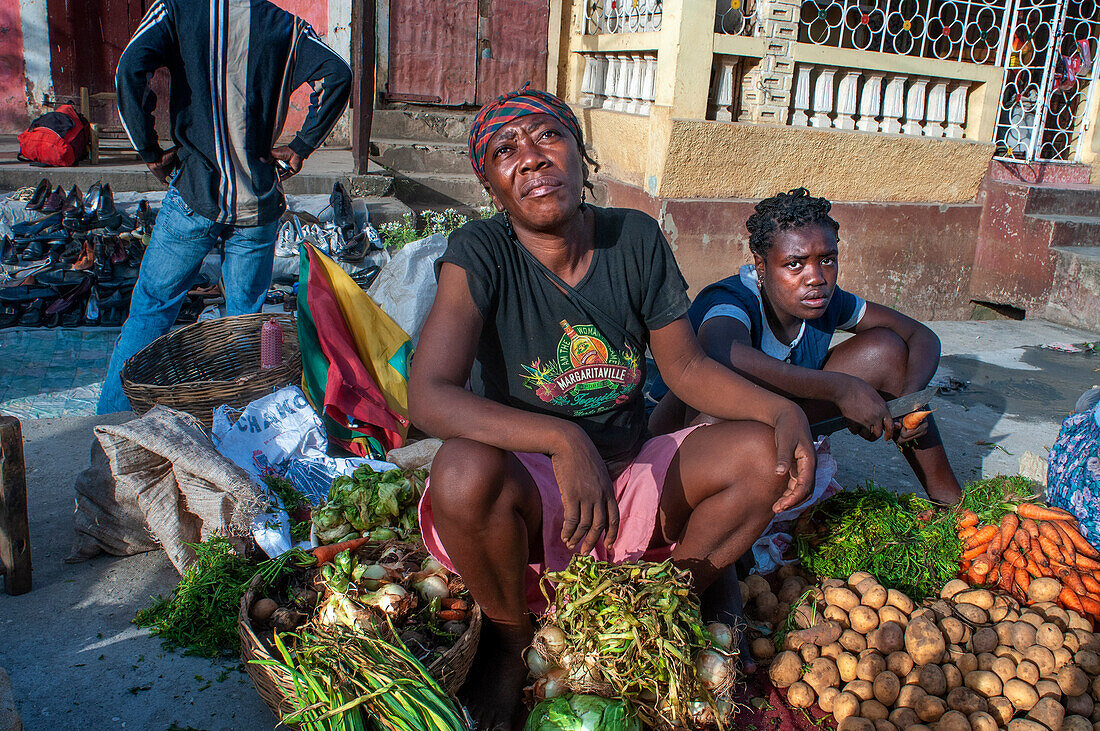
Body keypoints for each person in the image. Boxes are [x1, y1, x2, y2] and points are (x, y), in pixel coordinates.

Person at [407, 88, 817, 730]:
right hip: (532, 488)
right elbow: (428, 394)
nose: (533, 159)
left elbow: (684, 369)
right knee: (460, 471)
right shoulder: (480, 252)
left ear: (579, 154)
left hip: (629, 481)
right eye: (505, 150)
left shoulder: (634, 238)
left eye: (548, 137)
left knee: (764, 456)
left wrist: (783, 411)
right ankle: (512, 640)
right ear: (490, 184)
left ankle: (653, 608)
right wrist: (561, 441)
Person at [97, 0, 352, 414]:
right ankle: (238, 427)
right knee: (243, 324)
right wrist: (302, 145)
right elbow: (339, 75)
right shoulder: (283, 26)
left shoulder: (177, 11)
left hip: (195, 193)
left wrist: (148, 150)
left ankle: (112, 423)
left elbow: (131, 68)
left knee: (151, 310)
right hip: (258, 200)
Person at [650, 188, 963, 505]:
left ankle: (952, 506)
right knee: (718, 400)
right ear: (761, 265)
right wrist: (840, 390)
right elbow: (723, 356)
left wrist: (908, 400)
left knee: (886, 349)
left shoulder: (824, 301)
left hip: (784, 419)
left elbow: (921, 336)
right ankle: (701, 520)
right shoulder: (733, 300)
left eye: (827, 260)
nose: (816, 278)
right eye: (795, 264)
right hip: (685, 442)